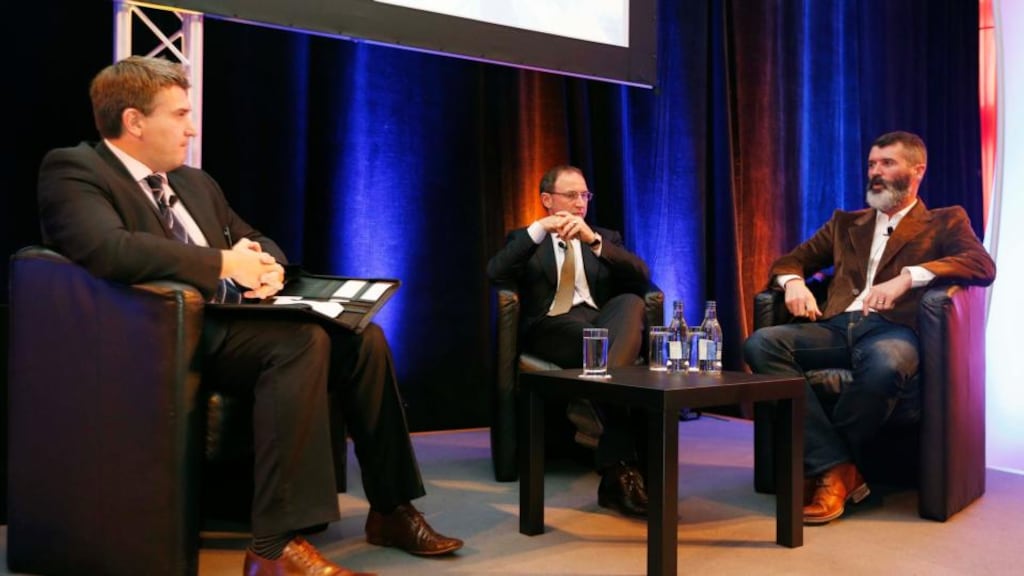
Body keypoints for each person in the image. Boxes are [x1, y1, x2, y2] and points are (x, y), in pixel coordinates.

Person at [36, 56, 462, 576]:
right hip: (154, 335)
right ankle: (274, 548)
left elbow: (255, 237)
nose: (192, 127)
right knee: (302, 343)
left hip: (226, 324)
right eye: (180, 114)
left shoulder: (194, 183)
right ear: (134, 120)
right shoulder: (75, 170)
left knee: (362, 336)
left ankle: (391, 509)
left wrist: (267, 266)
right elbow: (110, 250)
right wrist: (221, 262)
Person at [743, 131, 996, 525]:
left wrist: (908, 278)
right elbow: (790, 260)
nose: (875, 172)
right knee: (761, 345)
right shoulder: (846, 223)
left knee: (887, 363)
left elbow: (981, 265)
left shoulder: (944, 221)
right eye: (872, 164)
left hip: (894, 329)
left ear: (917, 170)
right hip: (836, 326)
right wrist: (792, 283)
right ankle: (838, 467)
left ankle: (829, 469)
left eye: (887, 164)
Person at [487, 164, 652, 518]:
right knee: (601, 344)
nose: (580, 203)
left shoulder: (605, 237)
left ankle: (595, 398)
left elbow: (642, 275)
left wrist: (594, 242)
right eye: (571, 195)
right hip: (552, 326)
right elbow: (495, 273)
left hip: (602, 324)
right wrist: (537, 231)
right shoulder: (525, 239)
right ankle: (620, 466)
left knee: (632, 303)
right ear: (547, 200)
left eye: (585, 195)